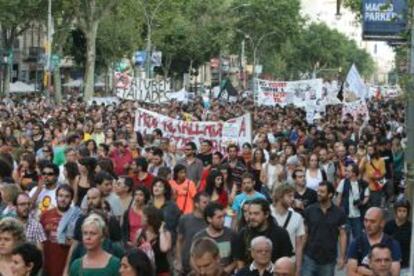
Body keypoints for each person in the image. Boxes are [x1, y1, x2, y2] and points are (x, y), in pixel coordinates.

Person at [301, 181, 347, 276]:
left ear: (330, 194)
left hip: (328, 260)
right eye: (318, 191)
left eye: (322, 191)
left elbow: (342, 235)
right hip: (310, 257)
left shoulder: (339, 213)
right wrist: (300, 253)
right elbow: (305, 233)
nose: (318, 193)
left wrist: (342, 257)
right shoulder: (309, 210)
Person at [233, 198, 293, 269]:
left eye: (256, 213)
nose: (252, 217)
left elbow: (286, 260)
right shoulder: (243, 233)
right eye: (250, 213)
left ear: (266, 214)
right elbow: (240, 261)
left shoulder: (281, 234)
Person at [40, 184, 81, 276]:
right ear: (56, 197)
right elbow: (40, 241)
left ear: (71, 199)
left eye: (67, 196)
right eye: (60, 196)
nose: (63, 199)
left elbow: (78, 243)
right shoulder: (45, 215)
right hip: (48, 264)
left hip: (67, 264)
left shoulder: (77, 217)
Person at [347, 207, 401, 276]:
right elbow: (351, 273)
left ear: (382, 223)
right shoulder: (356, 243)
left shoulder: (393, 244)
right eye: (366, 220)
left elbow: (395, 273)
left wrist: (366, 272)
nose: (368, 225)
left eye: (372, 221)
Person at [193, 202, 236, 273]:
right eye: (219, 217)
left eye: (223, 217)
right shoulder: (199, 237)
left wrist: (223, 272)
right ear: (209, 219)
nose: (223, 220)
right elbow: (192, 259)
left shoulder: (231, 234)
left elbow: (237, 259)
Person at [271, 184, 305, 274]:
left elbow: (299, 246)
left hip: (289, 261)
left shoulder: (297, 217)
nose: (293, 199)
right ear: (280, 196)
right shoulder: (268, 214)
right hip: (269, 260)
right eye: (289, 196)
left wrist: (298, 268)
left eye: (293, 196)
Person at [175, 192, 210, 276]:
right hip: (186, 265)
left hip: (204, 266)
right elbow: (179, 241)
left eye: (209, 202)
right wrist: (179, 261)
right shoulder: (185, 219)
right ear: (196, 204)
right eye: (205, 202)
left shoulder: (210, 220)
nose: (207, 205)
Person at [336, 163, 369, 242]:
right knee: (345, 237)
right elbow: (339, 197)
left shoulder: (363, 183)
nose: (346, 173)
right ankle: (346, 253)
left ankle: (358, 253)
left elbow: (367, 196)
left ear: (354, 173)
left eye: (348, 171)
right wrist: (336, 211)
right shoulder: (343, 182)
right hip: (345, 214)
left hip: (358, 214)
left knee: (358, 237)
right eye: (346, 171)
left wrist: (362, 203)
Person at [384, 198, 411, 271]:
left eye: (404, 211)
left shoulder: (411, 227)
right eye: (399, 210)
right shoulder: (389, 225)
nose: (402, 213)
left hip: (406, 263)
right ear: (396, 211)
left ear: (408, 212)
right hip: (390, 262)